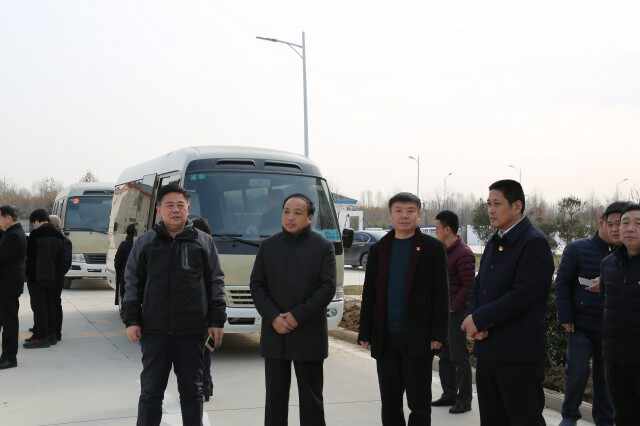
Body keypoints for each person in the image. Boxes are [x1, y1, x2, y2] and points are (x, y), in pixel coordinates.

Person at [121, 183, 226, 426]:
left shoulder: (203, 242)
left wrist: (216, 320)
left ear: (188, 208)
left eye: (181, 205)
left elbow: (216, 281)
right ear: (159, 209)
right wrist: (132, 319)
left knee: (192, 392)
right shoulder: (146, 243)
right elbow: (132, 281)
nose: (176, 210)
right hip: (154, 332)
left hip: (191, 333)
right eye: (170, 205)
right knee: (150, 393)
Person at [461, 179, 554, 426]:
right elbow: (480, 285)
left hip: (518, 354)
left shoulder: (533, 243)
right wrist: (474, 318)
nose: (491, 210)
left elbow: (524, 295)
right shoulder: (496, 240)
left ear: (517, 206)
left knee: (523, 418)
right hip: (489, 350)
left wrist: (480, 319)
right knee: (492, 418)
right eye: (488, 204)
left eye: (497, 204)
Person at [358, 192, 449, 426]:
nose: (404, 216)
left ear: (419, 214)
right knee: (390, 403)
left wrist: (438, 335)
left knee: (419, 403)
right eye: (398, 211)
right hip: (386, 339)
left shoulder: (432, 249)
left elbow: (441, 295)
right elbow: (369, 294)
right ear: (391, 214)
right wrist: (365, 331)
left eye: (410, 211)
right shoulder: (380, 249)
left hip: (419, 339)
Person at [250, 193, 336, 426]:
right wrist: (273, 317)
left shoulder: (323, 247)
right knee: (275, 399)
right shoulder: (268, 246)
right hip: (275, 334)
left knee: (311, 400)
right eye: (286, 211)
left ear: (309, 218)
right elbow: (256, 285)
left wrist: (297, 316)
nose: (290, 217)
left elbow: (327, 288)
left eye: (298, 213)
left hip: (309, 333)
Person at [555, 202, 628, 426]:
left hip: (611, 330)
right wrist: (565, 316)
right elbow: (562, 283)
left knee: (605, 379)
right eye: (611, 224)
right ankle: (569, 416)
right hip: (581, 326)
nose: (615, 229)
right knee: (577, 373)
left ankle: (604, 420)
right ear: (601, 222)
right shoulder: (577, 249)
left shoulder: (628, 254)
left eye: (620, 224)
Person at [432, 210, 475, 414]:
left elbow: (468, 286)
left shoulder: (463, 253)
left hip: (456, 312)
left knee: (459, 357)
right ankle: (449, 394)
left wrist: (453, 306)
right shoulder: (442, 250)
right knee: (445, 355)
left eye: (437, 228)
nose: (435, 231)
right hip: (443, 311)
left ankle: (464, 400)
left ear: (448, 229)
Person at [601, 203, 640, 426]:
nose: (629, 228)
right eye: (625, 223)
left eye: (638, 223)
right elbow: (606, 306)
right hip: (615, 358)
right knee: (623, 415)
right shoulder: (608, 264)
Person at [24, 209, 67, 348]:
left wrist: (28, 276)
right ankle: (52, 336)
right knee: (52, 307)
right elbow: (63, 260)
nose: (33, 226)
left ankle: (41, 337)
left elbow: (30, 259)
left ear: (37, 221)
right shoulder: (59, 236)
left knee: (39, 309)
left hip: (37, 279)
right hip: (55, 279)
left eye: (33, 223)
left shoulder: (35, 235)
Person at [0, 205, 27, 369]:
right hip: (7, 284)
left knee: (9, 322)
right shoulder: (10, 233)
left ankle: (10, 357)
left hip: (8, 285)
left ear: (8, 217)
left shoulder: (14, 236)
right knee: (6, 320)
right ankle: (7, 355)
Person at [191, 216, 214, 403]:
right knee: (206, 352)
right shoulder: (212, 252)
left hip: (197, 313)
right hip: (209, 315)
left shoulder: (196, 252)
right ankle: (207, 385)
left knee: (196, 354)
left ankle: (202, 386)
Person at [48, 215, 72, 342]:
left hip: (55, 278)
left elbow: (65, 263)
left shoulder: (63, 241)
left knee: (54, 304)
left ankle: (56, 332)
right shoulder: (63, 240)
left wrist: (57, 273)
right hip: (55, 276)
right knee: (54, 304)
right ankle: (54, 331)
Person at [114, 223, 137, 305]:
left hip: (123, 275)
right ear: (135, 233)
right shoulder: (138, 245)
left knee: (124, 296)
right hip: (135, 276)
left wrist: (119, 272)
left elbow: (117, 261)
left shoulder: (123, 244)